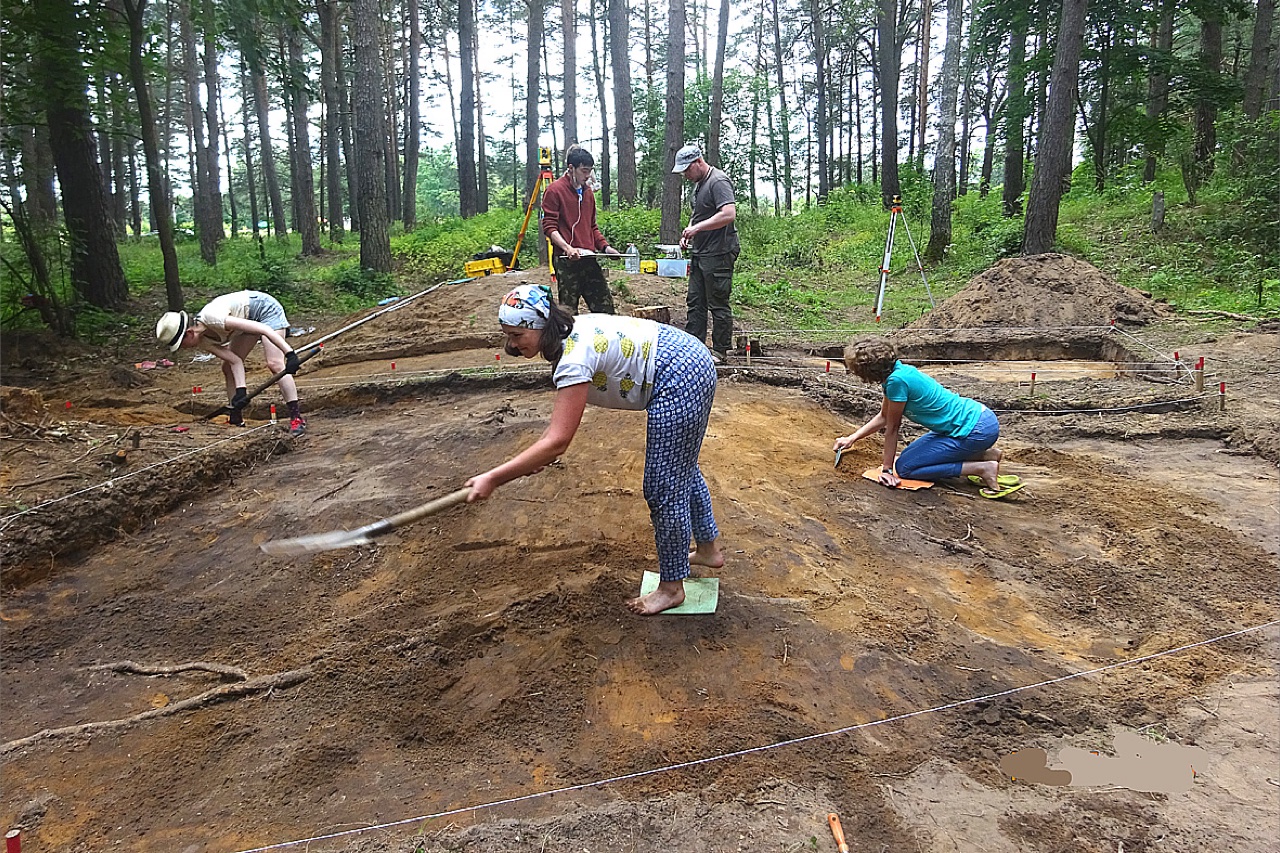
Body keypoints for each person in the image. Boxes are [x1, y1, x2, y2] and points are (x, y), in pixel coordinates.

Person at [465, 284, 725, 615]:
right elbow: (552, 438)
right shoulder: (569, 333)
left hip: (679, 376)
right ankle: (707, 550)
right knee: (681, 469)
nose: (511, 345)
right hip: (688, 357)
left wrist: (494, 478)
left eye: (517, 335)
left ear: (541, 325)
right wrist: (534, 457)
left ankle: (672, 588)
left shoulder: (574, 355)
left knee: (663, 486)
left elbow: (557, 441)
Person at [832, 337, 1019, 497]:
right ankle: (986, 454)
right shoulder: (899, 372)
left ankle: (982, 468)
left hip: (974, 430)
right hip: (978, 419)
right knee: (908, 458)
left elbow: (892, 428)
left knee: (906, 468)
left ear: (868, 370)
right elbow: (884, 416)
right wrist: (852, 438)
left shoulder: (897, 382)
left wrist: (887, 469)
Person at [156, 290, 307, 436]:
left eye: (181, 344)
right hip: (246, 322)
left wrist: (290, 353)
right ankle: (236, 416)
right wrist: (241, 391)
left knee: (275, 363)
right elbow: (234, 361)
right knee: (227, 368)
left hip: (264, 310)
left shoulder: (213, 318)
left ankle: (296, 417)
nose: (183, 349)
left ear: (189, 333)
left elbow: (264, 328)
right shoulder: (202, 341)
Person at [672, 142, 739, 363]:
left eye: (687, 170)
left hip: (719, 252)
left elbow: (728, 214)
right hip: (701, 252)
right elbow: (698, 214)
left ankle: (720, 351)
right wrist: (689, 233)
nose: (685, 175)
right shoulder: (699, 184)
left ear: (698, 162)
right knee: (695, 300)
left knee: (717, 301)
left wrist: (697, 228)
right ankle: (694, 345)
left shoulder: (718, 181)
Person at [541, 147, 623, 315]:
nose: (587, 176)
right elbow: (549, 227)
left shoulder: (588, 193)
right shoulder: (555, 191)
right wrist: (567, 248)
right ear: (571, 168)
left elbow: (592, 227)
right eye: (584, 171)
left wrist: (606, 248)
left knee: (605, 308)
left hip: (588, 258)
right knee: (569, 312)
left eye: (590, 171)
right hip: (566, 261)